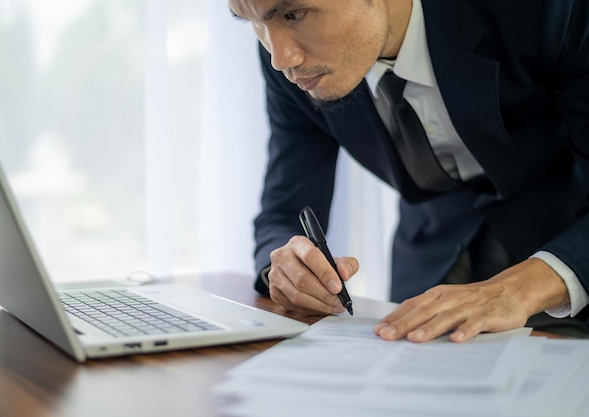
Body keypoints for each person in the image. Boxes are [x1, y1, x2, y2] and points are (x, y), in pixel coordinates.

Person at [228, 0, 589, 342]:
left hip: (570, 259)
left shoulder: (545, 11)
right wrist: (285, 268)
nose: (280, 58)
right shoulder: (286, 62)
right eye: (255, 22)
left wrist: (521, 288)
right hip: (426, 278)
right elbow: (284, 209)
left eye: (294, 14)